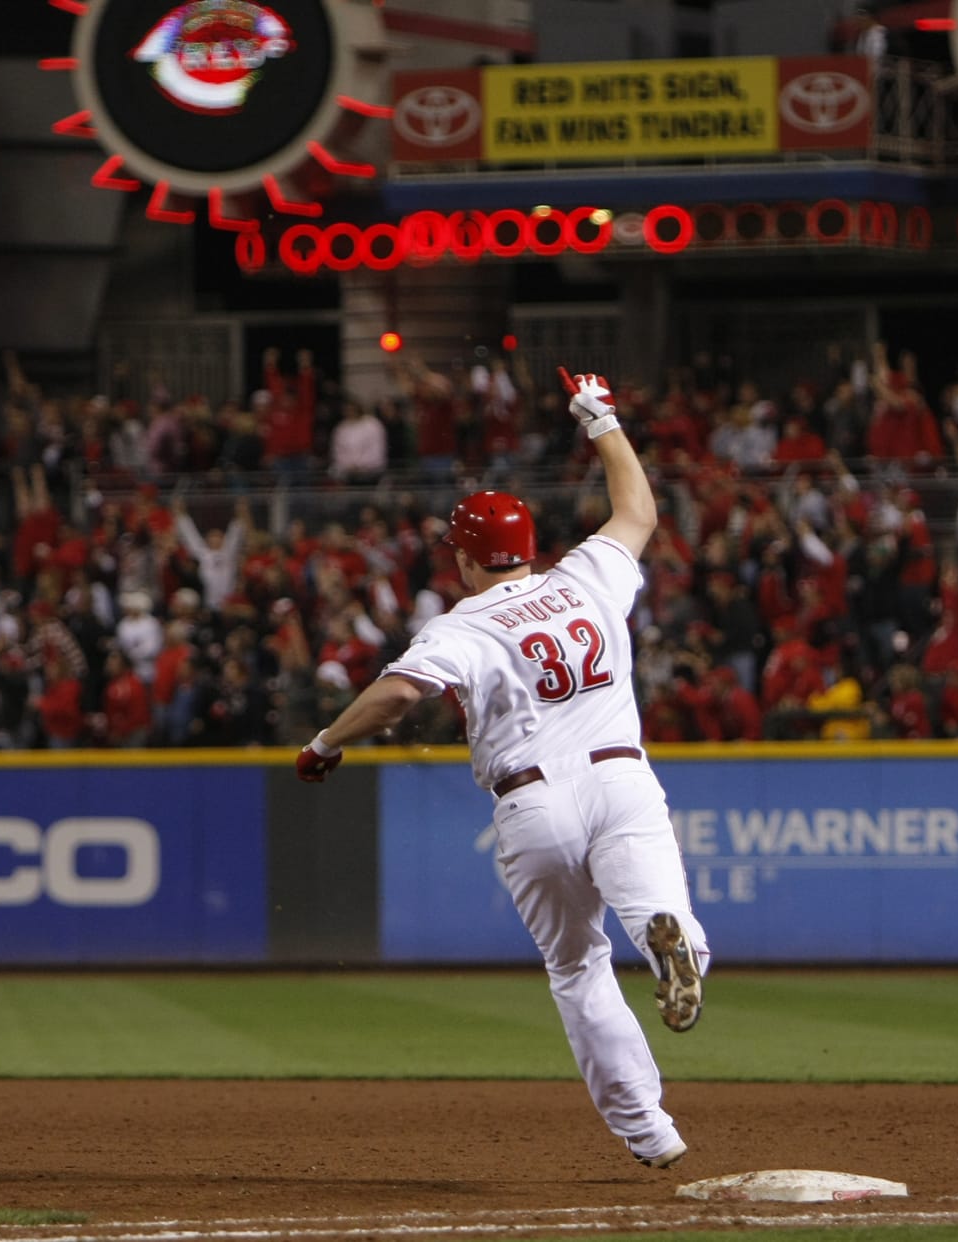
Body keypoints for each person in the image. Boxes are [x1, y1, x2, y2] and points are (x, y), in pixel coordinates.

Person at [295, 367, 709, 1170]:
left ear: (465, 559)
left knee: (578, 967)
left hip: (533, 802)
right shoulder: (585, 578)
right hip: (621, 777)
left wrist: (325, 743)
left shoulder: (463, 624)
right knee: (663, 915)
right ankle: (671, 942)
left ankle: (650, 1133)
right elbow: (638, 511)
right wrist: (600, 417)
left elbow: (396, 696)